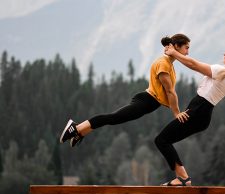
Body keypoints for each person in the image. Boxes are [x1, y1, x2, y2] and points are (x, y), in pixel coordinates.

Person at [60, 34, 191, 147]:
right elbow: (170, 91)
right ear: (177, 46)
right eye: (186, 48)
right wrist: (176, 113)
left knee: (113, 119)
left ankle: (80, 132)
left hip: (148, 103)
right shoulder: (164, 64)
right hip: (146, 101)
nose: (187, 52)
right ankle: (75, 128)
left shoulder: (168, 64)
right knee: (113, 118)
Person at [155, 42, 225, 186]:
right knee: (164, 140)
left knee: (161, 140)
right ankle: (182, 178)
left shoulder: (222, 71)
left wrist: (174, 53)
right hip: (201, 113)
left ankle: (183, 178)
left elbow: (193, 64)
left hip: (198, 111)